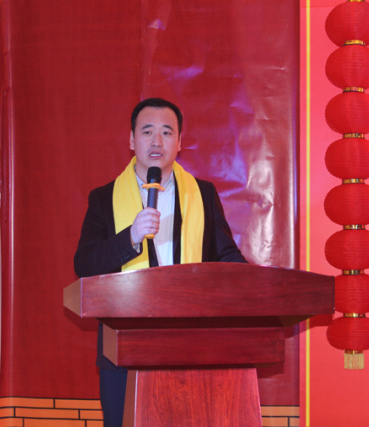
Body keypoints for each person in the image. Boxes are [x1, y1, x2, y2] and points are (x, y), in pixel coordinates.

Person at [74, 97, 246, 427]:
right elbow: (84, 264)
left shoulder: (203, 194)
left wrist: (258, 284)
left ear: (179, 142)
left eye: (167, 132)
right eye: (147, 131)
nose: (157, 141)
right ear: (131, 140)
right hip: (123, 348)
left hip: (190, 344)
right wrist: (130, 237)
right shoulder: (104, 198)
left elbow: (226, 257)